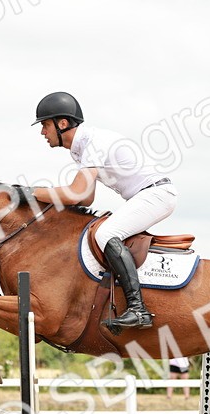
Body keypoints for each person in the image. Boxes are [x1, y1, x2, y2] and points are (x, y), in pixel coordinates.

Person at [29, 91, 178, 331]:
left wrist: (32, 193)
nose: (42, 132)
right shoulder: (79, 148)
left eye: (45, 125)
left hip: (157, 195)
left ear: (62, 123)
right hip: (146, 195)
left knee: (105, 234)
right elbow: (87, 196)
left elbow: (77, 192)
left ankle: (138, 309)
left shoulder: (93, 142)